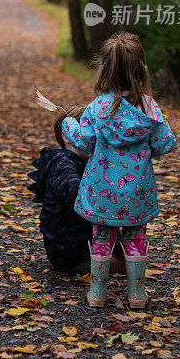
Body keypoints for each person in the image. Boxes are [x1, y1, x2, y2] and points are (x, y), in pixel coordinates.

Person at [61, 32, 177, 309]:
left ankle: (97, 294)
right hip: (137, 192)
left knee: (101, 238)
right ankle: (136, 295)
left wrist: (68, 124)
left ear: (104, 69)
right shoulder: (149, 107)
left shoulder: (98, 108)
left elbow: (83, 142)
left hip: (101, 190)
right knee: (136, 238)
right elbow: (164, 144)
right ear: (141, 68)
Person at [28, 104, 126, 276]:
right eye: (89, 133)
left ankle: (115, 251)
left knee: (131, 257)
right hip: (71, 253)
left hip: (79, 246)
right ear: (68, 136)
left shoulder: (82, 162)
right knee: (131, 267)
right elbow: (77, 193)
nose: (96, 139)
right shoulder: (62, 164)